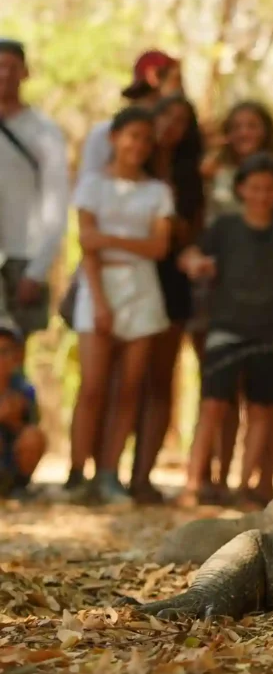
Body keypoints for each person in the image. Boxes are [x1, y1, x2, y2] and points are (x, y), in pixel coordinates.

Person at [178, 153, 273, 507]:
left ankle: (246, 487)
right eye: (254, 187)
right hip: (225, 329)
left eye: (269, 188)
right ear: (241, 188)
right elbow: (188, 255)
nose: (261, 195)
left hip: (269, 333)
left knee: (261, 409)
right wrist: (196, 264)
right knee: (212, 405)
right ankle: (193, 484)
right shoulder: (226, 227)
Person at [67, 106, 174, 504]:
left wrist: (109, 239)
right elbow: (86, 243)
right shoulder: (92, 185)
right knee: (93, 386)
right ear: (114, 138)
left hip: (143, 289)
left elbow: (158, 246)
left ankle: (110, 473)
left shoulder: (158, 192)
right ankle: (78, 473)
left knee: (129, 388)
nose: (138, 145)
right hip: (97, 285)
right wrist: (98, 300)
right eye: (132, 136)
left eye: (147, 139)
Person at [191, 100, 273, 503]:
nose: (246, 133)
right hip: (220, 297)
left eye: (254, 125)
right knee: (216, 396)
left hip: (267, 311)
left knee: (262, 400)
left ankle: (252, 483)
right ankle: (207, 478)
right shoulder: (209, 173)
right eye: (238, 125)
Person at [128, 94, 206, 503]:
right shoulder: (127, 163)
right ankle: (99, 472)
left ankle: (142, 476)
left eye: (182, 120)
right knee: (126, 380)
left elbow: (188, 233)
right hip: (128, 275)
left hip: (172, 278)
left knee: (160, 379)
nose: (172, 126)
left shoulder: (190, 175)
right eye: (167, 117)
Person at [0, 39, 69, 352]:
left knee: (9, 361)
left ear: (24, 73)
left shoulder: (44, 131)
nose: (3, 74)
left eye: (11, 67)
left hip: (21, 259)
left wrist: (37, 270)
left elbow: (56, 206)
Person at [77, 50, 183, 184]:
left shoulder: (172, 134)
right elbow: (89, 187)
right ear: (154, 77)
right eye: (175, 79)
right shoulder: (103, 133)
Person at [0, 317, 46, 499]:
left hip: (10, 460)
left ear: (17, 356)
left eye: (5, 352)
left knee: (34, 437)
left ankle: (17, 486)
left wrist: (13, 420)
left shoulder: (24, 390)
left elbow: (31, 428)